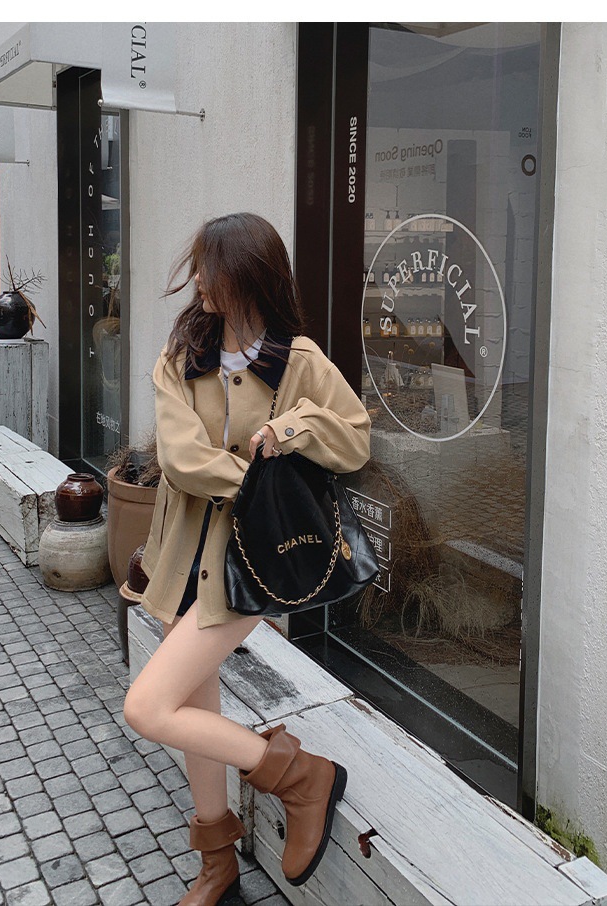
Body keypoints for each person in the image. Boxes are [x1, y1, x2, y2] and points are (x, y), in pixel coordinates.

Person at [123, 212, 371, 905]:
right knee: (190, 704)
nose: (199, 280)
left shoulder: (300, 362)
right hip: (181, 557)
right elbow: (181, 458)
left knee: (148, 706)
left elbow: (354, 440)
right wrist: (263, 486)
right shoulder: (182, 357)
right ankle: (217, 864)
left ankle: (302, 776)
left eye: (211, 268)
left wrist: (292, 427)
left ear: (247, 277)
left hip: (248, 565)